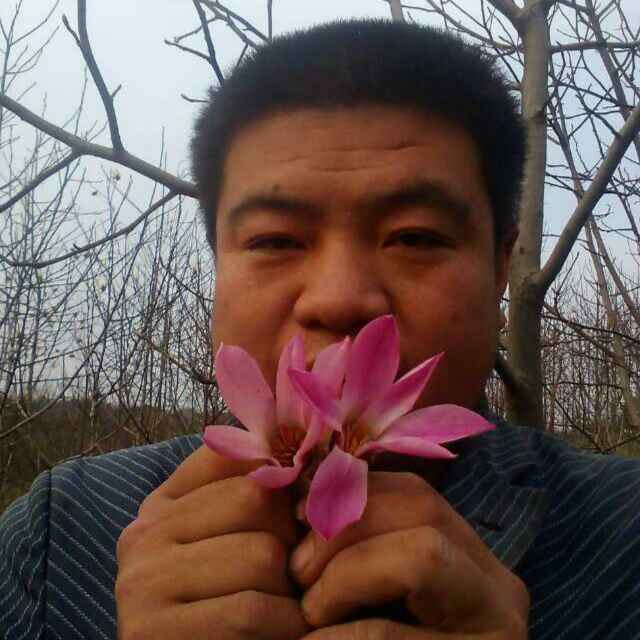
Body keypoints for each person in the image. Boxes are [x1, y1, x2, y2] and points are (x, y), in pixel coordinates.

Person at [2, 18, 640, 640]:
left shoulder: (624, 540)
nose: (339, 300)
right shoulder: (60, 542)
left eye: (415, 237)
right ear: (218, 266)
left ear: (502, 266)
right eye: (276, 240)